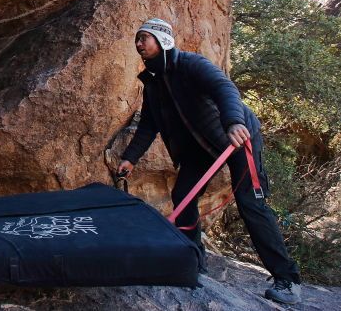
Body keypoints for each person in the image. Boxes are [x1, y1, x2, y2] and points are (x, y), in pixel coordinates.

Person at [117, 18, 301, 304]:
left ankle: (287, 279)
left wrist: (234, 122)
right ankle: (192, 258)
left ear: (163, 39)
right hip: (201, 147)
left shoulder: (191, 64)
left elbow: (224, 89)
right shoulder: (153, 84)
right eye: (137, 39)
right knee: (183, 195)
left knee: (250, 204)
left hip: (239, 139)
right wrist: (130, 158)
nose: (139, 43)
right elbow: (148, 126)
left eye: (145, 37)